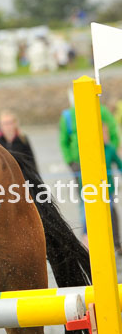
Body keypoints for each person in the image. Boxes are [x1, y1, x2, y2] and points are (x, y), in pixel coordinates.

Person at [59, 93, 119, 240]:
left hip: (101, 162)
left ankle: (115, 240)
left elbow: (113, 132)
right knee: (86, 201)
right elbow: (63, 141)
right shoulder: (68, 116)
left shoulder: (102, 111)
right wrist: (70, 161)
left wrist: (109, 152)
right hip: (79, 164)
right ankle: (88, 238)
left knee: (108, 200)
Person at [0, 110, 41, 175]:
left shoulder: (23, 139)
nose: (8, 126)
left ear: (15, 124)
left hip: (22, 174)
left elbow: (31, 161)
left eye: (10, 123)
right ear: (0, 125)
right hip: (3, 175)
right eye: (5, 124)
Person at [102, 124, 121, 254]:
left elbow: (120, 165)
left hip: (109, 189)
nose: (106, 136)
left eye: (107, 133)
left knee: (112, 214)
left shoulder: (110, 149)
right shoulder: (90, 149)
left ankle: (117, 244)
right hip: (93, 191)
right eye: (104, 133)